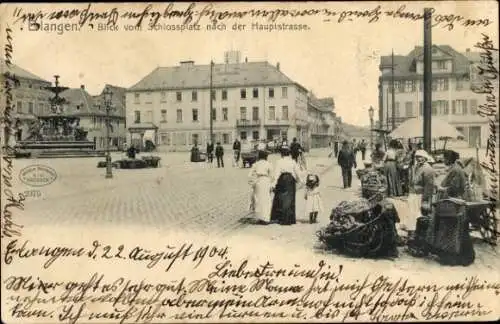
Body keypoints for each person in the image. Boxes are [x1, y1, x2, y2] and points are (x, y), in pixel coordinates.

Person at [270, 146, 303, 225]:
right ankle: (290, 219)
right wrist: (301, 181)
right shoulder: (292, 161)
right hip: (290, 180)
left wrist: (273, 184)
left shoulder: (279, 162)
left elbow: (277, 173)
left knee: (281, 198)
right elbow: (298, 172)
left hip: (282, 179)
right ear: (289, 154)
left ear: (282, 154)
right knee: (290, 199)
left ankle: (280, 218)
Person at [248, 150, 273, 223]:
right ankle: (266, 218)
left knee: (258, 199)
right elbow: (272, 175)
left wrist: (252, 183)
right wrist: (271, 184)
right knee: (266, 199)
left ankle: (259, 218)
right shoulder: (269, 164)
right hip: (266, 181)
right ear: (266, 157)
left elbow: (250, 175)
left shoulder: (256, 164)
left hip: (258, 181)